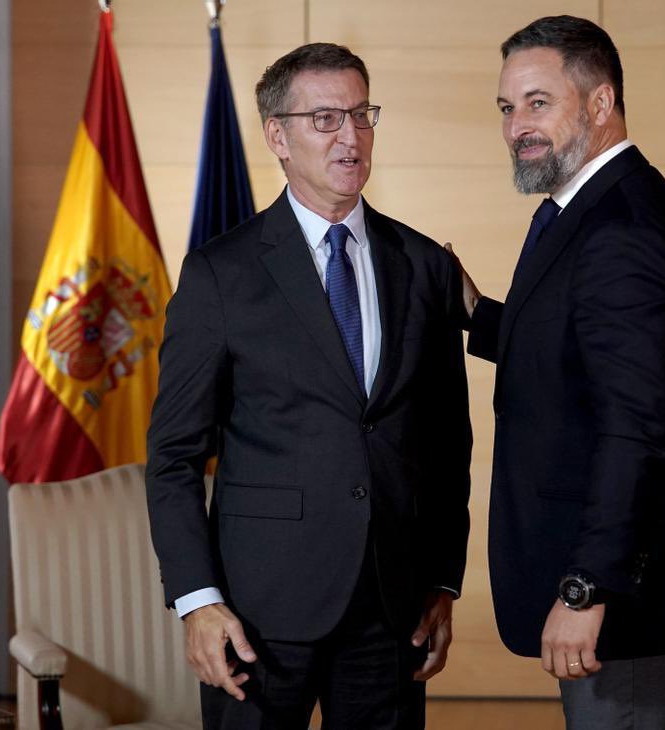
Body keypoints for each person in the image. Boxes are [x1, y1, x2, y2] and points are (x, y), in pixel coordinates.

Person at [146, 42, 472, 730]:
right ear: (278, 137)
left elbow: (447, 444)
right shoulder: (220, 274)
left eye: (361, 114)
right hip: (256, 616)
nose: (350, 136)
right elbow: (174, 455)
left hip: (393, 610)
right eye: (325, 119)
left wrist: (443, 580)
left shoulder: (425, 266)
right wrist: (198, 600)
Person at [447, 16, 665, 730]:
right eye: (507, 107)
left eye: (538, 103)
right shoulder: (584, 208)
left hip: (628, 603)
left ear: (601, 102)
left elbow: (638, 427)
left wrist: (586, 588)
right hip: (615, 594)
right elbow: (582, 358)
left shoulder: (623, 226)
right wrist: (478, 313)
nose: (517, 126)